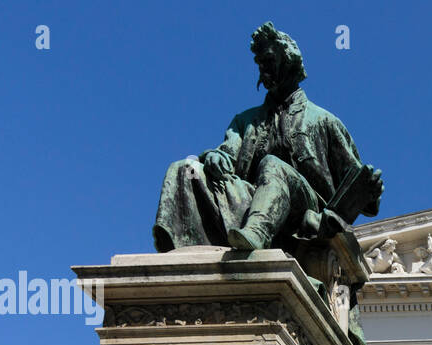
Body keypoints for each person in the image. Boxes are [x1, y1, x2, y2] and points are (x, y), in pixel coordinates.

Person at [153, 23, 383, 253]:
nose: (263, 70)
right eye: (260, 64)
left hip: (304, 213)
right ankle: (177, 257)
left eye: (269, 61)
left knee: (272, 164)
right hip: (249, 197)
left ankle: (258, 233)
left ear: (289, 61)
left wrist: (371, 192)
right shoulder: (245, 120)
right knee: (185, 168)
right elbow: (227, 153)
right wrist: (216, 157)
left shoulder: (324, 121)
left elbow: (356, 184)